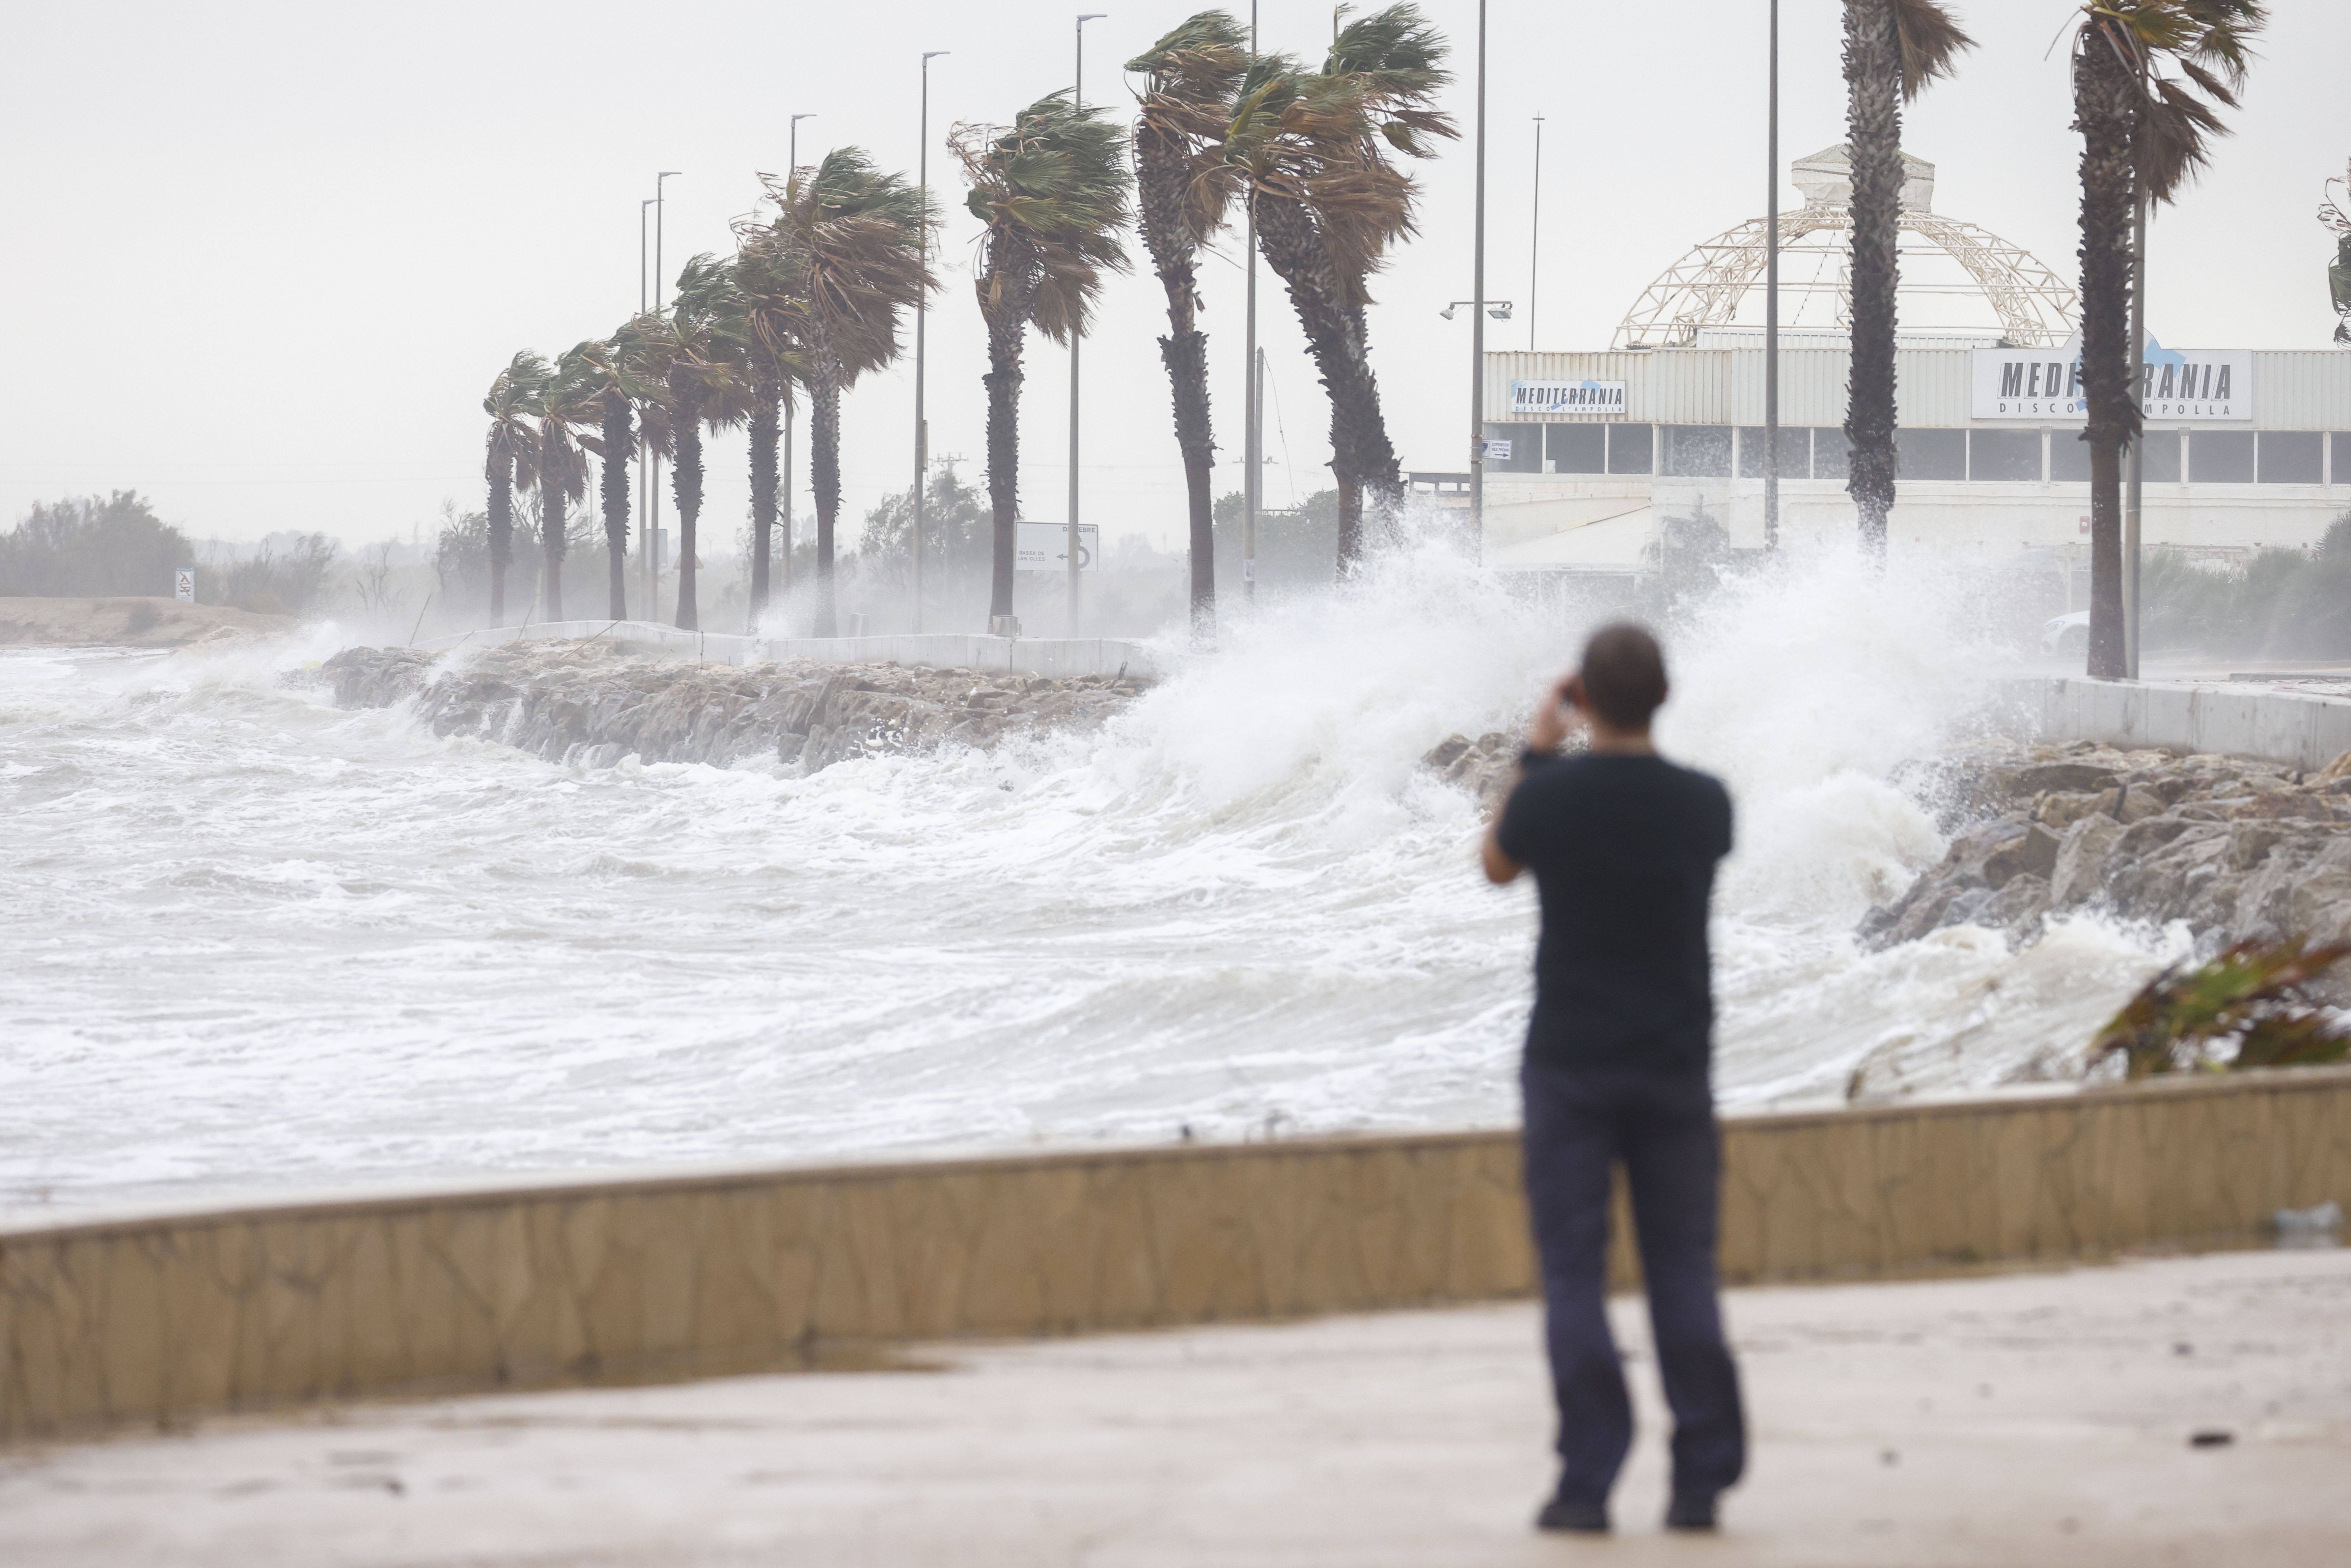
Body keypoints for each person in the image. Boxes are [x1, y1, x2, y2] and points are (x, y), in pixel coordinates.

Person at [1480, 622, 1745, 1536]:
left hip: (1569, 1067)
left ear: (1583, 698)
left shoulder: (1550, 798)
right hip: (1674, 1064)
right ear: (1665, 697)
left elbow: (1496, 866)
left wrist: (1536, 750)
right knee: (1681, 1273)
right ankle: (1701, 1478)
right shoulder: (1706, 804)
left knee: (1574, 1279)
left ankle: (1588, 1483)